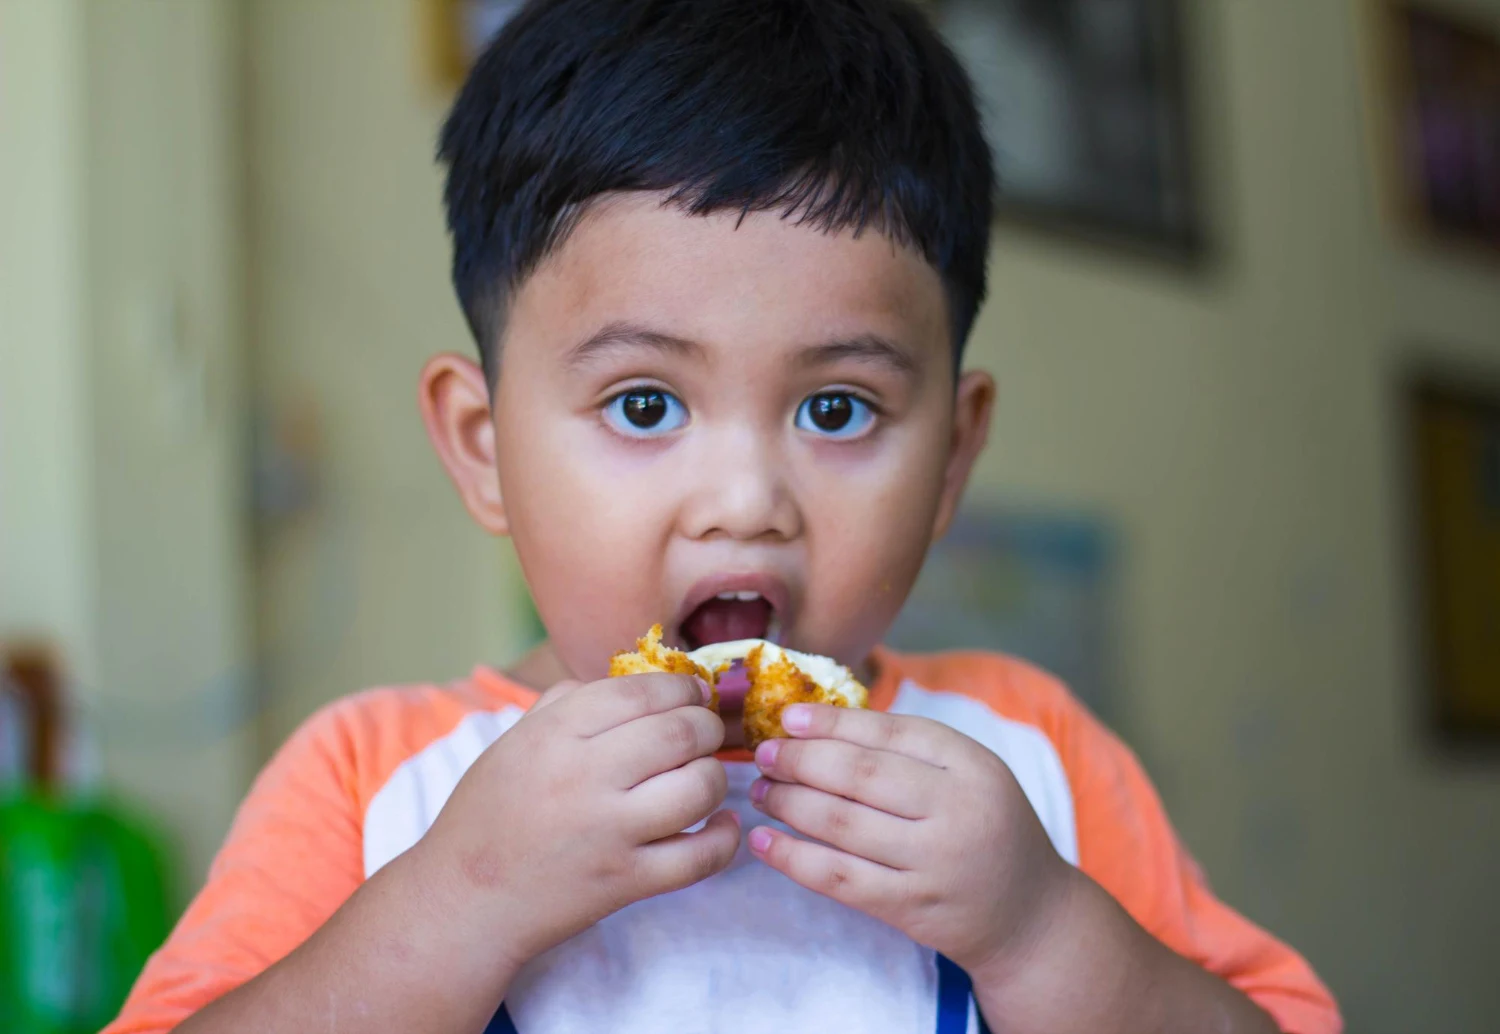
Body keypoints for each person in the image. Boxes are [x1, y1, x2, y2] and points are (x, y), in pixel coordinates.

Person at [104, 1, 1340, 1031]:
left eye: (841, 410)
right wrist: (459, 897)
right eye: (644, 403)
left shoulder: (1031, 756)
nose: (747, 502)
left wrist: (1042, 926)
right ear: (485, 450)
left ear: (954, 457)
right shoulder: (376, 779)